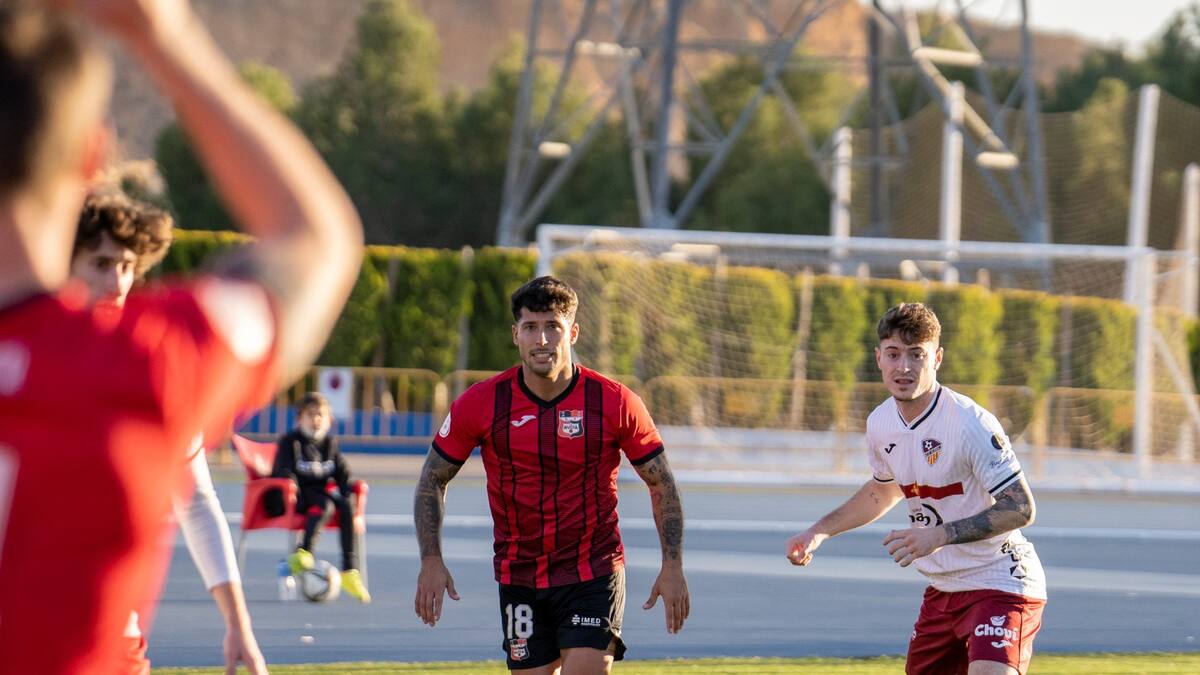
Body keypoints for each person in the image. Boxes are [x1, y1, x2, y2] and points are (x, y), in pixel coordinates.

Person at [0, 0, 363, 672]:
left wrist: (236, 619)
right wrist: (163, 36)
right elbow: (316, 241)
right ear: (90, 156)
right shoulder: (143, 361)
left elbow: (197, 505)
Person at [413, 276, 690, 674]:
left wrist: (673, 566)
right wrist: (431, 560)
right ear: (516, 335)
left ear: (572, 333)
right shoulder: (482, 402)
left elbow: (661, 480)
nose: (541, 340)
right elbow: (432, 478)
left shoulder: (614, 401)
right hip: (519, 576)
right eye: (530, 327)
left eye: (553, 327)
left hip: (593, 571)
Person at [785, 303, 1047, 675]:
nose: (904, 367)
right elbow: (883, 491)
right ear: (879, 358)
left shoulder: (969, 422)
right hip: (942, 589)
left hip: (1000, 582)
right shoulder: (880, 422)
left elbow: (1020, 507)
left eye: (916, 354)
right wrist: (819, 531)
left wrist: (940, 535)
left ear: (937, 358)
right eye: (893, 354)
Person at [71, 193, 267, 674]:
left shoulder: (153, 369)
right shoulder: (18, 354)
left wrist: (238, 622)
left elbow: (196, 504)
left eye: (127, 266)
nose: (118, 281)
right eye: (101, 263)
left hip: (113, 637)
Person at [272, 391, 370, 602]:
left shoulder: (329, 444)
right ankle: (304, 552)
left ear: (328, 419)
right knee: (326, 504)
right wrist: (291, 486)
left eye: (320, 415)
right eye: (310, 414)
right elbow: (282, 471)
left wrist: (350, 498)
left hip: (320, 494)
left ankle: (349, 571)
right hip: (296, 497)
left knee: (345, 504)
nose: (316, 420)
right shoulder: (290, 442)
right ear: (300, 418)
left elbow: (343, 474)